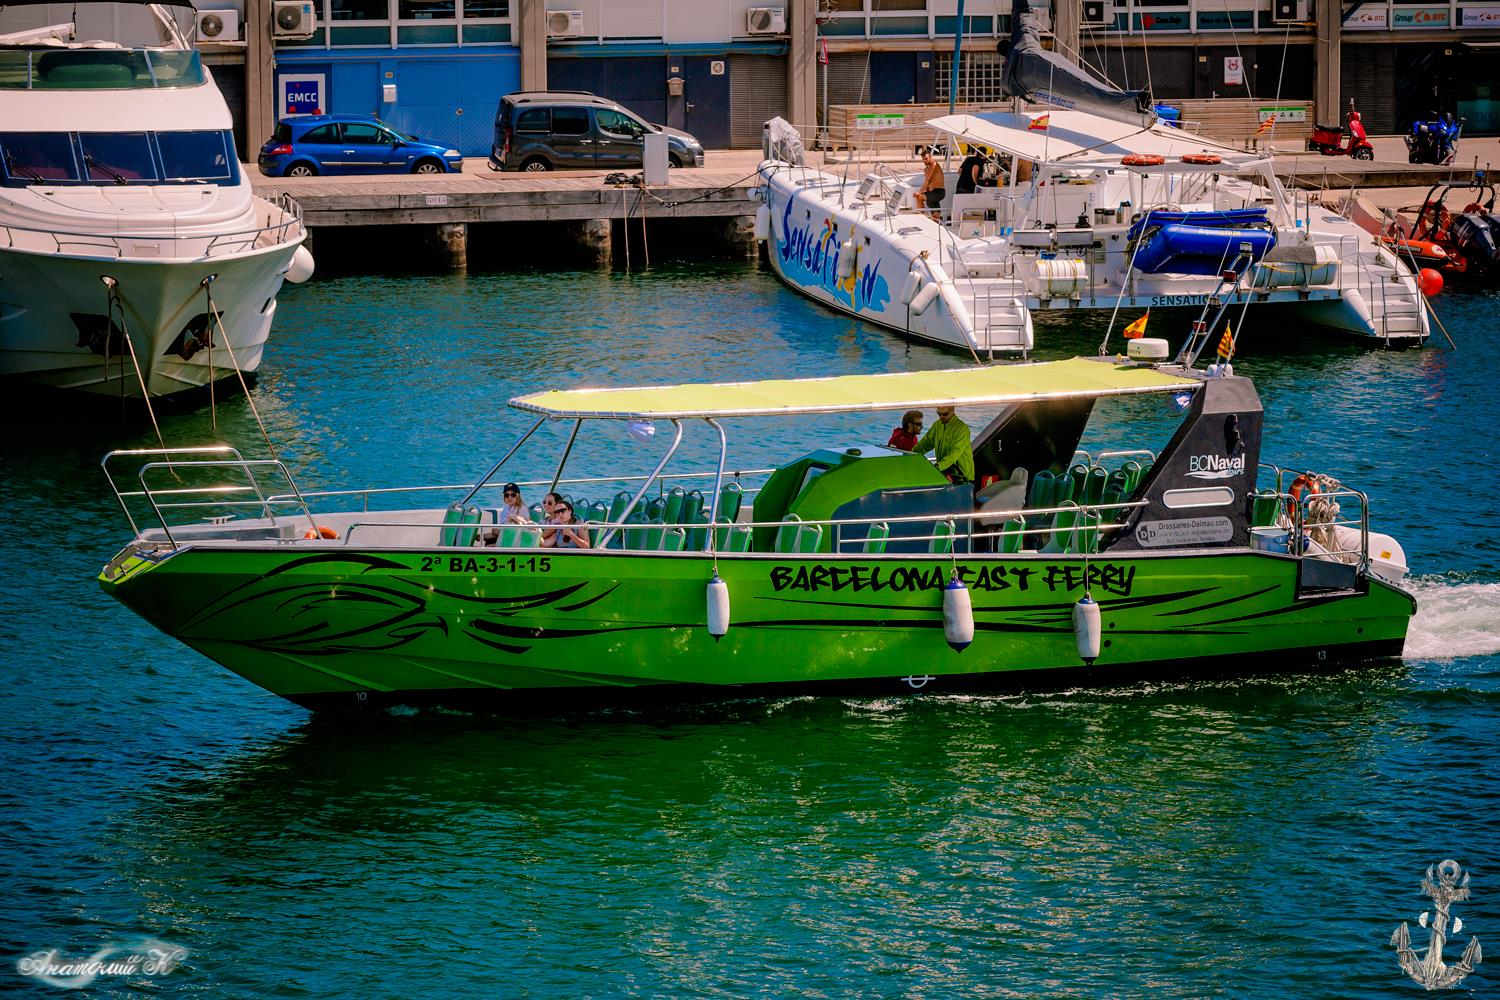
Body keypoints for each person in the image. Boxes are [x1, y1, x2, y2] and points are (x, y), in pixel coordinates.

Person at [917, 406, 974, 484]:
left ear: (953, 411)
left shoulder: (962, 428)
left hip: (962, 477)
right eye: (939, 414)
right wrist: (911, 455)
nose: (941, 417)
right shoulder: (937, 425)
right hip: (945, 473)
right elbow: (925, 444)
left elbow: (954, 454)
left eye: (945, 414)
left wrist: (937, 467)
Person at [916, 147, 945, 219]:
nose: (924, 161)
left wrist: (919, 192)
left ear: (930, 157)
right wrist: (926, 193)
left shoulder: (934, 164)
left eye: (926, 158)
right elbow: (928, 184)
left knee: (919, 197)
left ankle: (921, 219)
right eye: (923, 159)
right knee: (936, 215)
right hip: (932, 193)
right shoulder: (926, 169)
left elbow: (928, 180)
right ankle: (937, 223)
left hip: (939, 192)